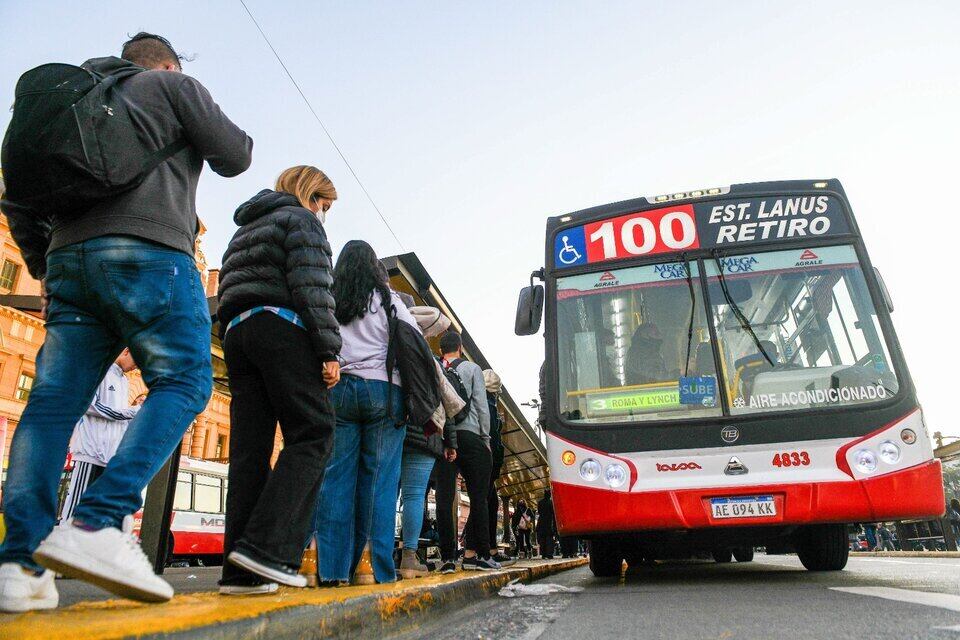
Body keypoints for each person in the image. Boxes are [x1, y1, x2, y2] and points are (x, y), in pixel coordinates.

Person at [0, 32, 252, 612]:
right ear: (165, 63)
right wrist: (189, 100)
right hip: (150, 252)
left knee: (52, 404)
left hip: (68, 261)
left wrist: (48, 263)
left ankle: (20, 562)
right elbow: (235, 155)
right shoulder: (171, 85)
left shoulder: (68, 103)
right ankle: (98, 523)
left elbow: (18, 197)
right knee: (187, 381)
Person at [216, 166, 341, 594]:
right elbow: (313, 288)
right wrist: (328, 351)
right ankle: (267, 549)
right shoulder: (301, 221)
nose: (322, 214)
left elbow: (228, 287)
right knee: (314, 432)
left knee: (249, 452)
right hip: (282, 328)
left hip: (236, 333)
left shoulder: (244, 229)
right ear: (309, 195)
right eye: (323, 204)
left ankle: (239, 574)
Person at [313, 240, 417, 585]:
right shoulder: (388, 300)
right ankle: (370, 568)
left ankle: (330, 570)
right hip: (384, 394)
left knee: (336, 479)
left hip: (339, 390)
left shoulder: (331, 298)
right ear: (375, 267)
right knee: (379, 483)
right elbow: (414, 338)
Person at [397, 305, 460, 579]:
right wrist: (451, 443)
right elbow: (448, 406)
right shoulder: (433, 361)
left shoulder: (394, 348)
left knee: (388, 491)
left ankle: (378, 553)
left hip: (397, 428)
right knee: (413, 496)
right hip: (427, 433)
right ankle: (409, 558)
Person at [437, 331, 499, 571]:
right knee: (479, 497)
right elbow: (482, 407)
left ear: (442, 349)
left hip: (444, 436)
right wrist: (485, 439)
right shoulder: (473, 369)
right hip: (471, 435)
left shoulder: (436, 367)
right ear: (460, 348)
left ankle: (447, 558)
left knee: (444, 496)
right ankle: (481, 556)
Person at [59, 349, 141, 523]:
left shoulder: (124, 381)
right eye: (136, 361)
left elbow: (118, 416)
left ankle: (81, 544)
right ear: (126, 351)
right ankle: (63, 538)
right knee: (77, 502)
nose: (136, 367)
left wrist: (134, 417)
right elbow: (91, 406)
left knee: (93, 505)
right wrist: (130, 412)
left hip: (108, 454)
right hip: (90, 451)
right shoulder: (99, 371)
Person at [483, 369, 512, 565]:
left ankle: (488, 549)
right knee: (487, 504)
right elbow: (493, 438)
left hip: (486, 462)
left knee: (488, 503)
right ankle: (485, 550)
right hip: (487, 462)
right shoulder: (489, 406)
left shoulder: (484, 404)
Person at [536, 490, 557, 559]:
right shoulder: (551, 502)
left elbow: (539, 512)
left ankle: (543, 554)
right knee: (549, 539)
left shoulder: (540, 502)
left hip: (541, 522)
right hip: (549, 522)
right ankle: (549, 553)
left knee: (542, 539)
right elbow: (553, 513)